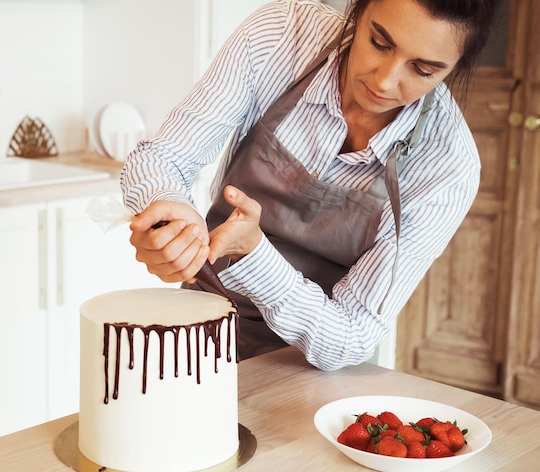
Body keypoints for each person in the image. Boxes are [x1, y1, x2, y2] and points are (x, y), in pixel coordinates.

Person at [120, 0, 500, 369]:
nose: (385, 80)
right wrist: (174, 220)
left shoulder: (448, 167)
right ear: (358, 10)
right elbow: (161, 158)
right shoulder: (282, 35)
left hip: (309, 370)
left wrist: (256, 254)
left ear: (453, 68)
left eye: (423, 70)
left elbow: (350, 337)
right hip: (201, 324)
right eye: (379, 43)